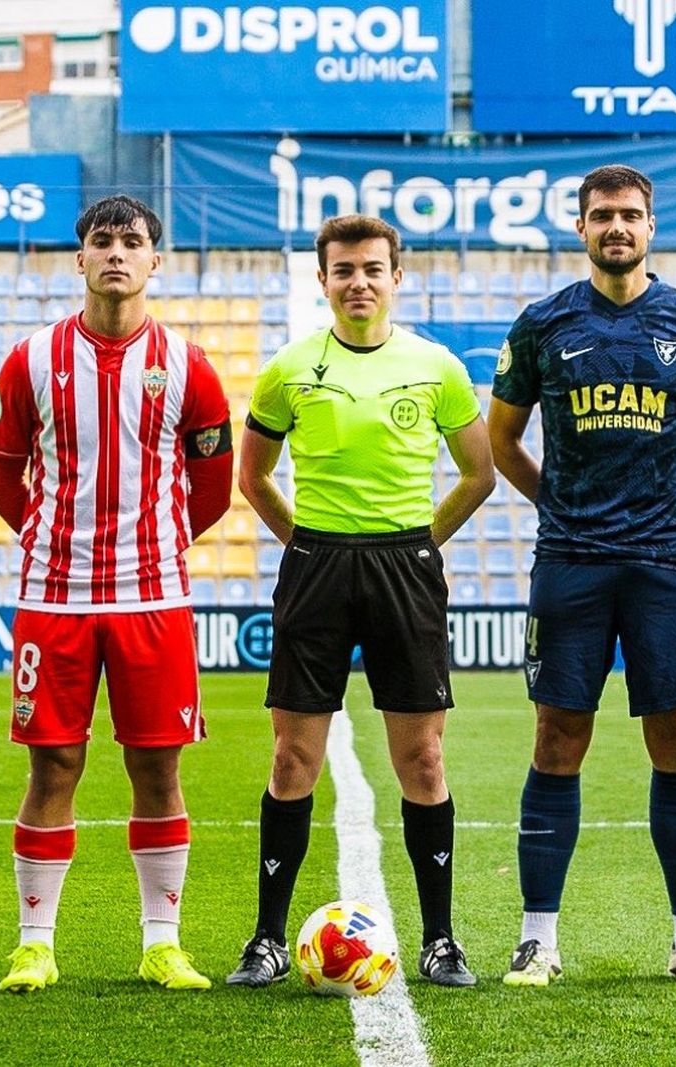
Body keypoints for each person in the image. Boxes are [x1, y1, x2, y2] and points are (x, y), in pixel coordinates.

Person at [487, 164, 676, 989]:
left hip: (668, 562)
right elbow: (501, 441)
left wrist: (675, 506)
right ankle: (538, 939)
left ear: (651, 225)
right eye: (602, 215)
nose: (617, 228)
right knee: (557, 739)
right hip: (570, 561)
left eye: (631, 215)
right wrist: (558, 506)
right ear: (580, 227)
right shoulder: (542, 326)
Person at [227, 214, 495, 989]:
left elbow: (478, 473)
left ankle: (441, 939)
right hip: (317, 565)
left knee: (423, 755)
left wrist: (423, 544)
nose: (359, 282)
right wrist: (302, 543)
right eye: (343, 270)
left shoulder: (436, 366)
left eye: (373, 268)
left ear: (396, 276)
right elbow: (254, 475)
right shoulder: (289, 368)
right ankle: (268, 940)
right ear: (323, 280)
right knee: (292, 755)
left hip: (404, 565)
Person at [0, 195, 233, 995]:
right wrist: (52, 540)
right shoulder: (29, 359)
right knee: (53, 764)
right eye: (102, 241)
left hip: (153, 599)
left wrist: (151, 547)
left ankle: (163, 942)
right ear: (80, 258)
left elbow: (215, 485)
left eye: (133, 241)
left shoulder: (191, 366)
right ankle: (34, 943)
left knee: (156, 767)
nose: (116, 253)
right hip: (52, 602)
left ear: (156, 261)